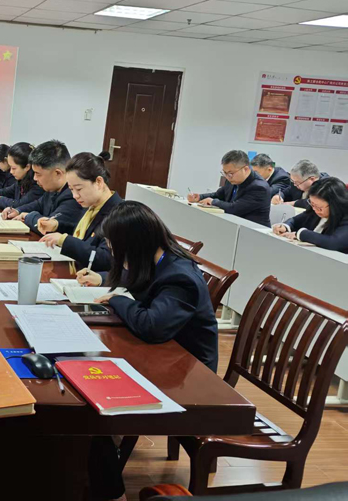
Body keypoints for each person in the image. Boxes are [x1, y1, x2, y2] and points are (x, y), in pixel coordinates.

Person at [81, 201, 218, 501]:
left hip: (188, 376)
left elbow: (152, 326)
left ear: (133, 243)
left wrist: (117, 300)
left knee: (93, 409)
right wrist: (106, 280)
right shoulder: (159, 260)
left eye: (113, 245)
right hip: (167, 359)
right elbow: (138, 282)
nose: (112, 252)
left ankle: (111, 493)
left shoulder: (179, 277)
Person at [39, 151, 121, 272]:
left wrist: (64, 240)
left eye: (79, 189)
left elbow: (105, 259)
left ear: (99, 182)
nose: (75, 195)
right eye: (71, 189)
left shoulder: (118, 214)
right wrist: (56, 225)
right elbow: (83, 236)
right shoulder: (92, 205)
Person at [4, 140, 82, 235]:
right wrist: (17, 211)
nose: (34, 178)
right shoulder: (52, 188)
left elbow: (48, 226)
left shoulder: (73, 196)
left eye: (38, 174)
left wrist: (28, 216)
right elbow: (38, 204)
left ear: (57, 173)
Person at [187, 149, 271, 227]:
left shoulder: (259, 187)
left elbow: (234, 209)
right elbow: (219, 195)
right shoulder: (232, 180)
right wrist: (199, 197)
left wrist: (212, 202)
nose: (227, 177)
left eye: (230, 173)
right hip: (232, 225)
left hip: (253, 231)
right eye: (225, 173)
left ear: (245, 169)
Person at [272, 177, 348, 253]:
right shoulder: (314, 209)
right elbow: (295, 220)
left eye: (319, 208)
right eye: (312, 204)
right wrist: (285, 226)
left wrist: (301, 234)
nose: (315, 209)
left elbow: (333, 243)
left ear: (335, 205)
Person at [0, 142, 44, 210]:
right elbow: (8, 191)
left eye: (14, 168)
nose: (11, 172)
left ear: (27, 167)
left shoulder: (37, 184)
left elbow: (20, 204)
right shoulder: (23, 179)